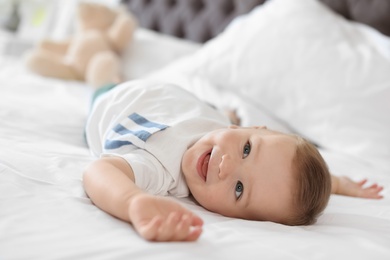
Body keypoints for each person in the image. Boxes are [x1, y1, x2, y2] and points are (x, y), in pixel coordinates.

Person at [83, 80, 383, 242]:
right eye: (248, 150)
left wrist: (133, 201)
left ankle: (94, 54)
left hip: (112, 101)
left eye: (239, 189)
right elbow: (281, 173)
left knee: (101, 75)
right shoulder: (222, 129)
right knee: (220, 118)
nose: (225, 166)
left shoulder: (157, 166)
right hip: (169, 96)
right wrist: (336, 182)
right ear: (250, 129)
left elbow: (101, 171)